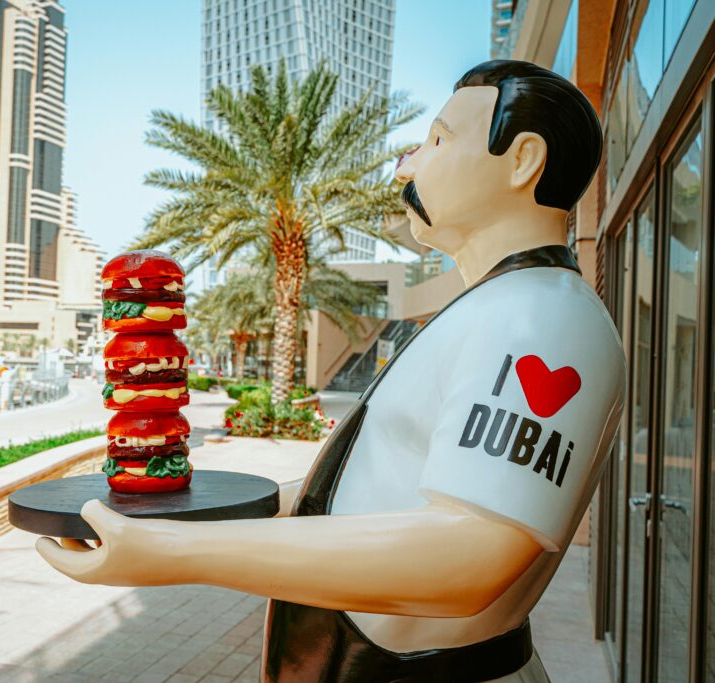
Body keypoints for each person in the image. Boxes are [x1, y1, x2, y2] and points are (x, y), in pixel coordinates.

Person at [36, 60, 626, 682]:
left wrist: (173, 551)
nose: (406, 163)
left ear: (523, 160)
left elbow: (475, 552)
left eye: (439, 140)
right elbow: (377, 494)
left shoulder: (542, 320)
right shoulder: (494, 308)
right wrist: (199, 512)